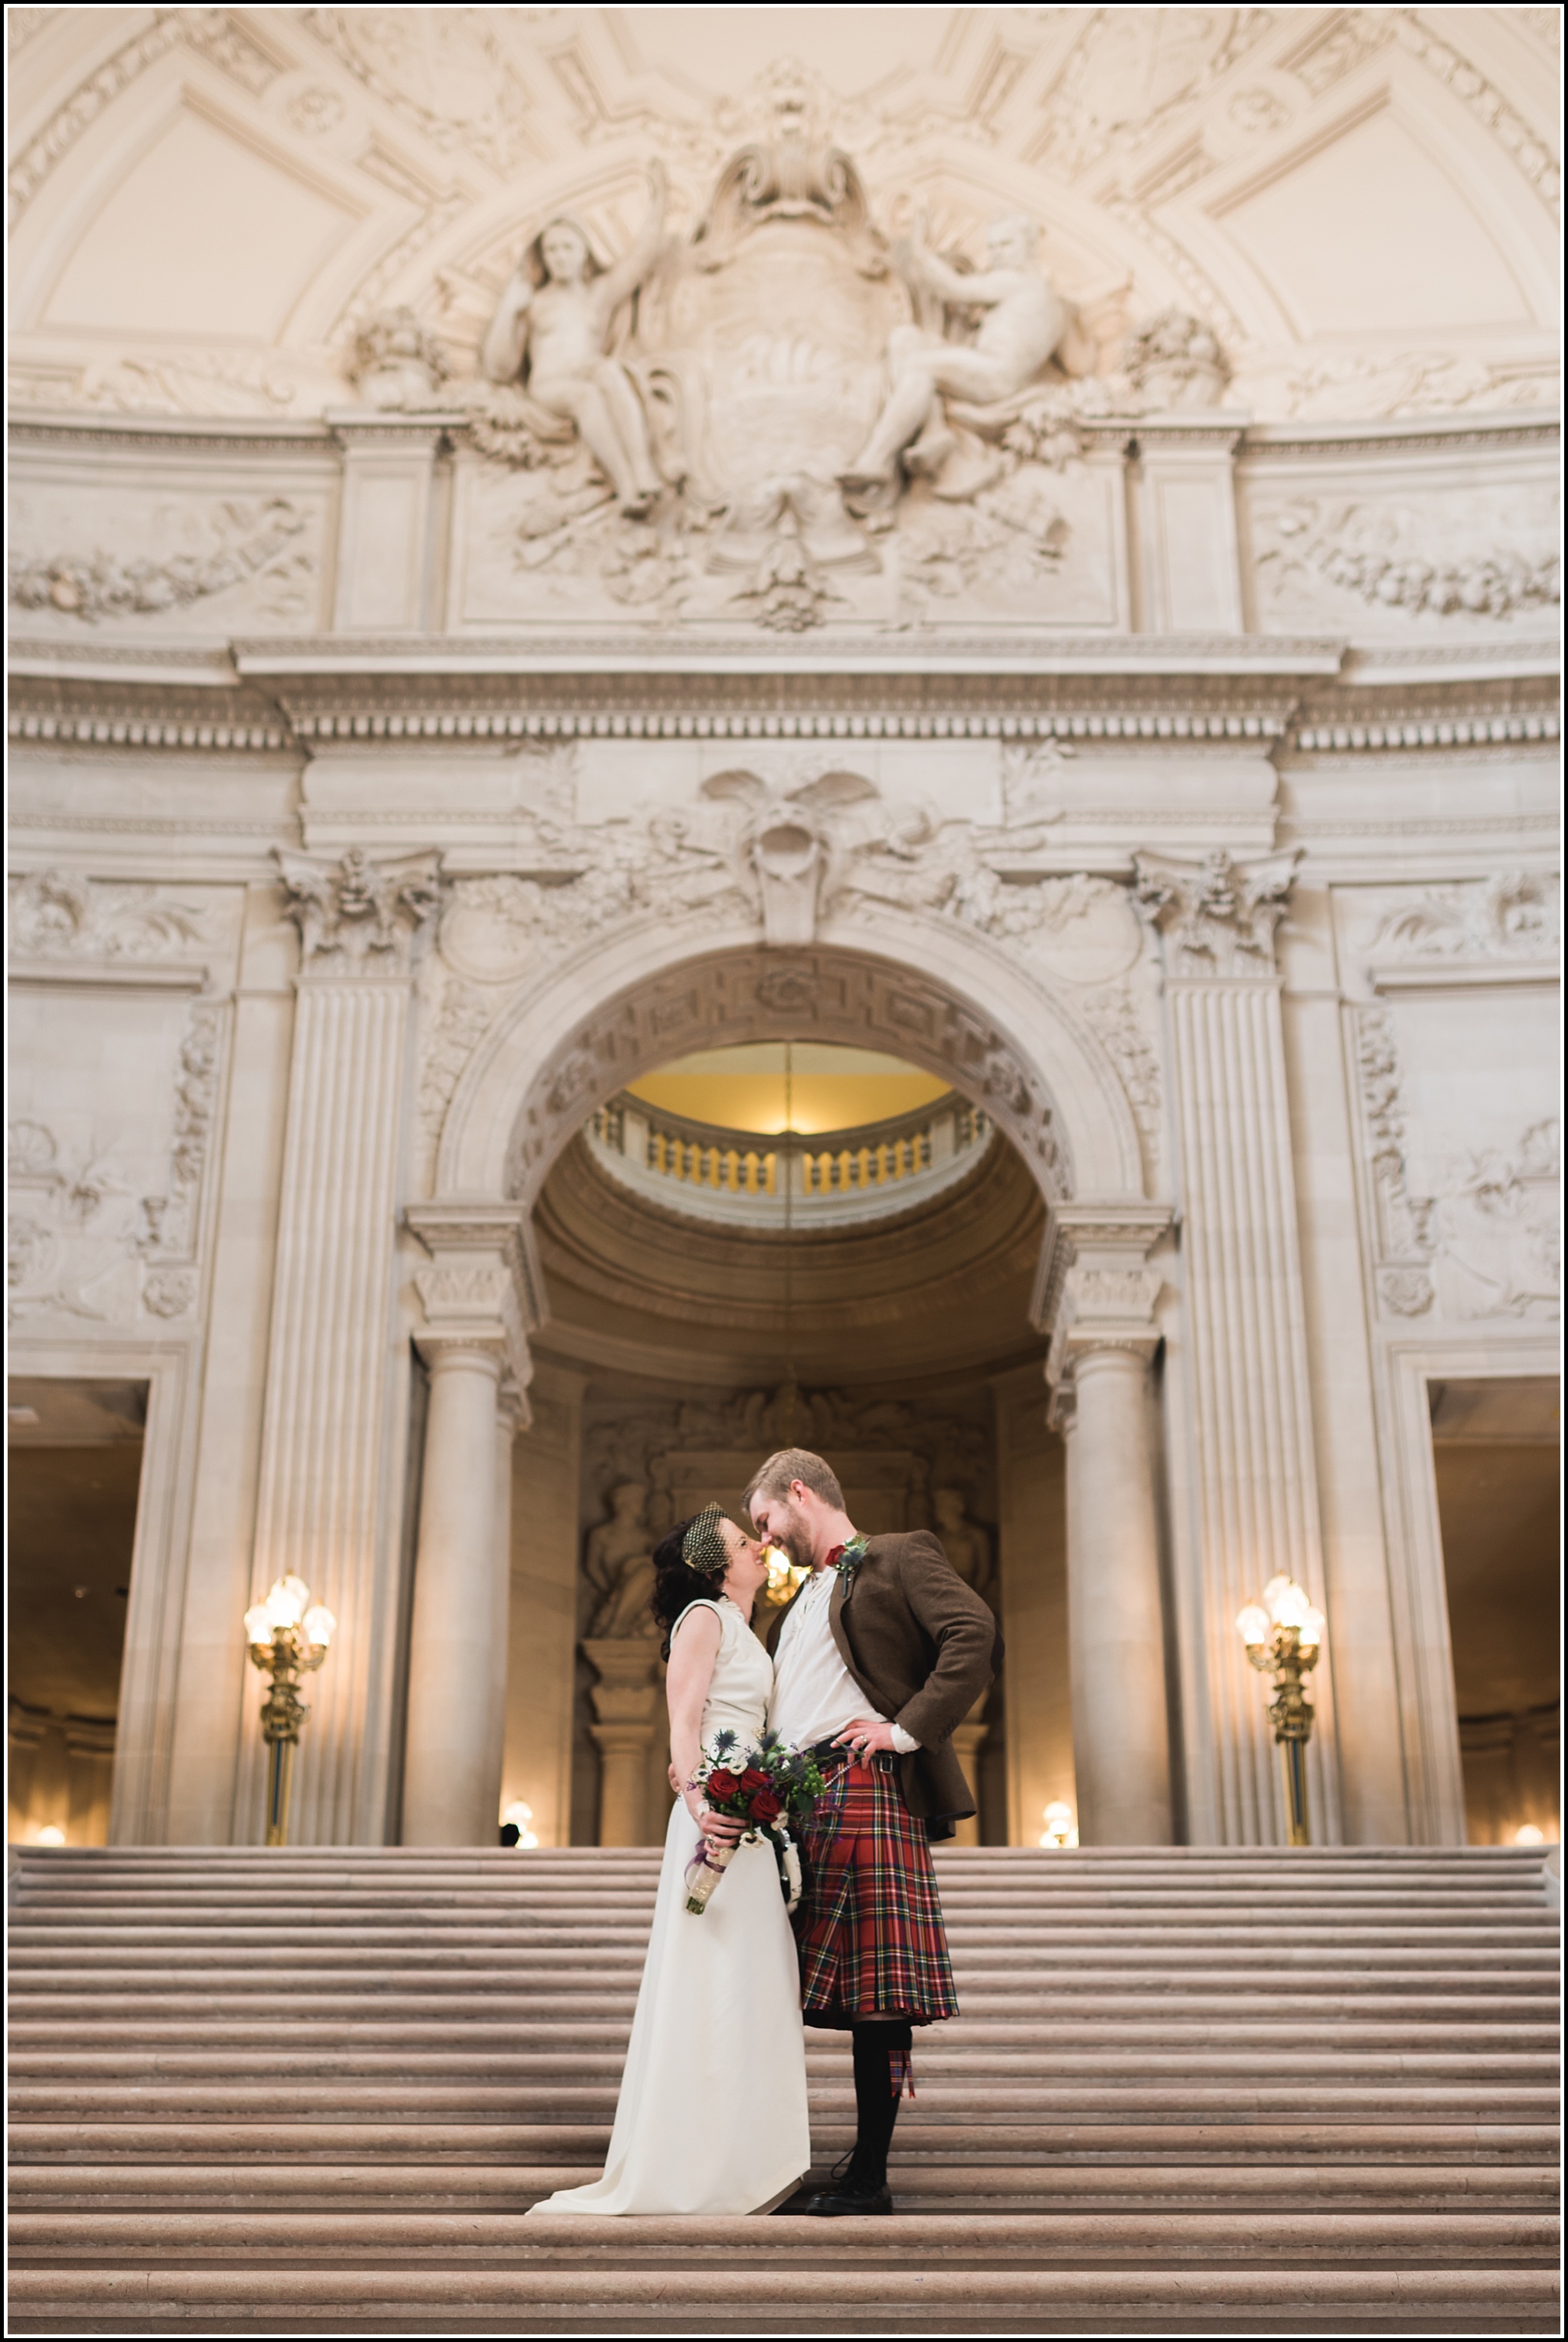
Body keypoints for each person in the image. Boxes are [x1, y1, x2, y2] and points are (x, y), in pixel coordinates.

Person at [527, 1506, 810, 2218]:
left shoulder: (745, 1627)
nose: (761, 1551)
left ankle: (748, 2157)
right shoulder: (704, 1618)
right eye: (749, 1545)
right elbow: (683, 1723)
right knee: (711, 1982)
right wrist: (700, 1802)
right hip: (717, 1817)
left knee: (750, 1982)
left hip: (751, 1817)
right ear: (720, 1565)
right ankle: (698, 2163)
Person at [748, 1448, 1000, 2216]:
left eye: (766, 1520)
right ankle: (778, 2159)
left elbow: (972, 1631)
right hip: (796, 1801)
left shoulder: (895, 1555)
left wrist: (902, 1732)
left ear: (799, 1492)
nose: (764, 1540)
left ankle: (870, 2170)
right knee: (784, 1983)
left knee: (880, 1994)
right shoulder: (794, 1606)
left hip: (862, 1783)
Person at [479, 162, 668, 516]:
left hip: (589, 370)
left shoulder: (596, 296)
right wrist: (509, 309)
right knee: (586, 397)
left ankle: (643, 472)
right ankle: (626, 485)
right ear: (542, 256)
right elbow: (498, 368)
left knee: (611, 373)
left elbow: (641, 257)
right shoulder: (535, 303)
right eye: (551, 250)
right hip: (551, 385)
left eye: (567, 247)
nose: (559, 256)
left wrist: (661, 199)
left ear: (584, 250)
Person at [840, 210, 1070, 498]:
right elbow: (1079, 361)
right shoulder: (1054, 303)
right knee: (906, 338)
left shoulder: (1017, 282)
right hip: (986, 366)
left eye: (1007, 245)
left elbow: (952, 288)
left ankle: (877, 459)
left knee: (918, 367)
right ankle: (934, 431)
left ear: (1030, 246)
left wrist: (920, 250)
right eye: (993, 247)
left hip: (994, 374)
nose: (998, 255)